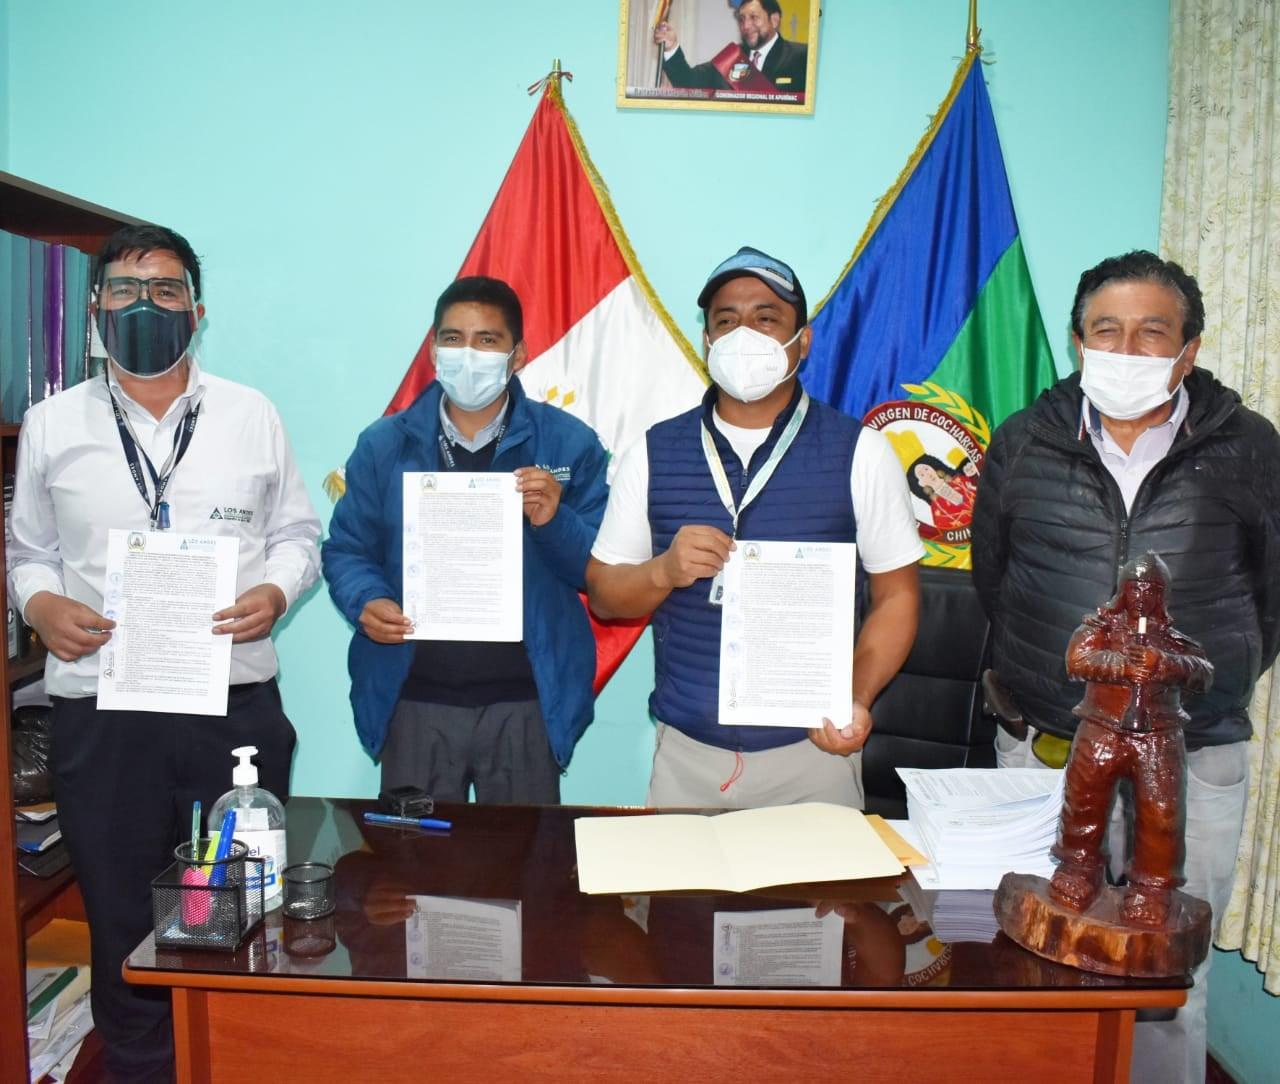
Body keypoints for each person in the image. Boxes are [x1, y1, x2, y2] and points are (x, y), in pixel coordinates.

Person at [7, 223, 321, 1082]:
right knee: (121, 913)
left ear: (198, 310)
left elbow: (298, 536)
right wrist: (39, 604)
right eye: (124, 288)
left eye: (166, 288)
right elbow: (28, 550)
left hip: (232, 710)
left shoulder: (251, 415)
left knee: (235, 908)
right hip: (104, 709)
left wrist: (276, 593)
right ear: (96, 308)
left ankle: (239, 1059)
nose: (144, 304)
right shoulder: (51, 424)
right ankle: (142, 1067)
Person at [972, 250, 1280, 1083]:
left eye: (1152, 332)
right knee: (1035, 955)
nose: (1126, 348)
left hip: (1193, 753)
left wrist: (1208, 678)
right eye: (1106, 330)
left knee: (1165, 972)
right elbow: (994, 579)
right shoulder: (1023, 440)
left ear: (1189, 351)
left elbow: (1270, 597)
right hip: (1046, 748)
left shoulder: (1251, 447)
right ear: (1079, 343)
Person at [586, 246, 923, 809]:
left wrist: (856, 696)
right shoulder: (653, 452)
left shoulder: (861, 452)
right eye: (726, 321)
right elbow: (603, 593)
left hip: (814, 755)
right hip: (687, 755)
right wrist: (663, 571)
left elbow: (898, 597)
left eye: (766, 319)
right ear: (707, 342)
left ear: (802, 341)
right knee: (673, 872)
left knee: (819, 874)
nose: (744, 335)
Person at [322, 276, 608, 804]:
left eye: (487, 340)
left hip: (527, 701)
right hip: (414, 698)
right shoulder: (383, 444)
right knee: (414, 856)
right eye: (453, 339)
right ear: (434, 351)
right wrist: (367, 600)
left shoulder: (570, 443)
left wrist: (554, 520)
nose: (468, 354)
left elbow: (600, 570)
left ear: (518, 355)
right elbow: (347, 549)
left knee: (524, 854)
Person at [1053, 553, 1213, 926]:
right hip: (1101, 727)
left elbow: (1203, 673)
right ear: (1122, 590)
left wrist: (1165, 664)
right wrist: (1122, 665)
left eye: (1152, 589)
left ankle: (1153, 888)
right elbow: (1077, 660)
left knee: (1161, 814)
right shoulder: (1100, 628)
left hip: (1158, 736)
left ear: (1164, 595)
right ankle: (1079, 869)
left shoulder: (1173, 640)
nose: (1142, 596)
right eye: (1136, 587)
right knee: (1084, 801)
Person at [654, 0, 808, 93]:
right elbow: (688, 82)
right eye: (741, 19)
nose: (746, 26)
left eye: (754, 17)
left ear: (774, 20)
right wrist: (671, 47)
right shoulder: (731, 58)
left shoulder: (803, 57)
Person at [906, 454, 978, 532]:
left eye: (926, 469)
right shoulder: (937, 509)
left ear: (933, 468)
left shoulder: (960, 480)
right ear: (921, 483)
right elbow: (946, 528)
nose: (928, 474)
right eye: (922, 475)